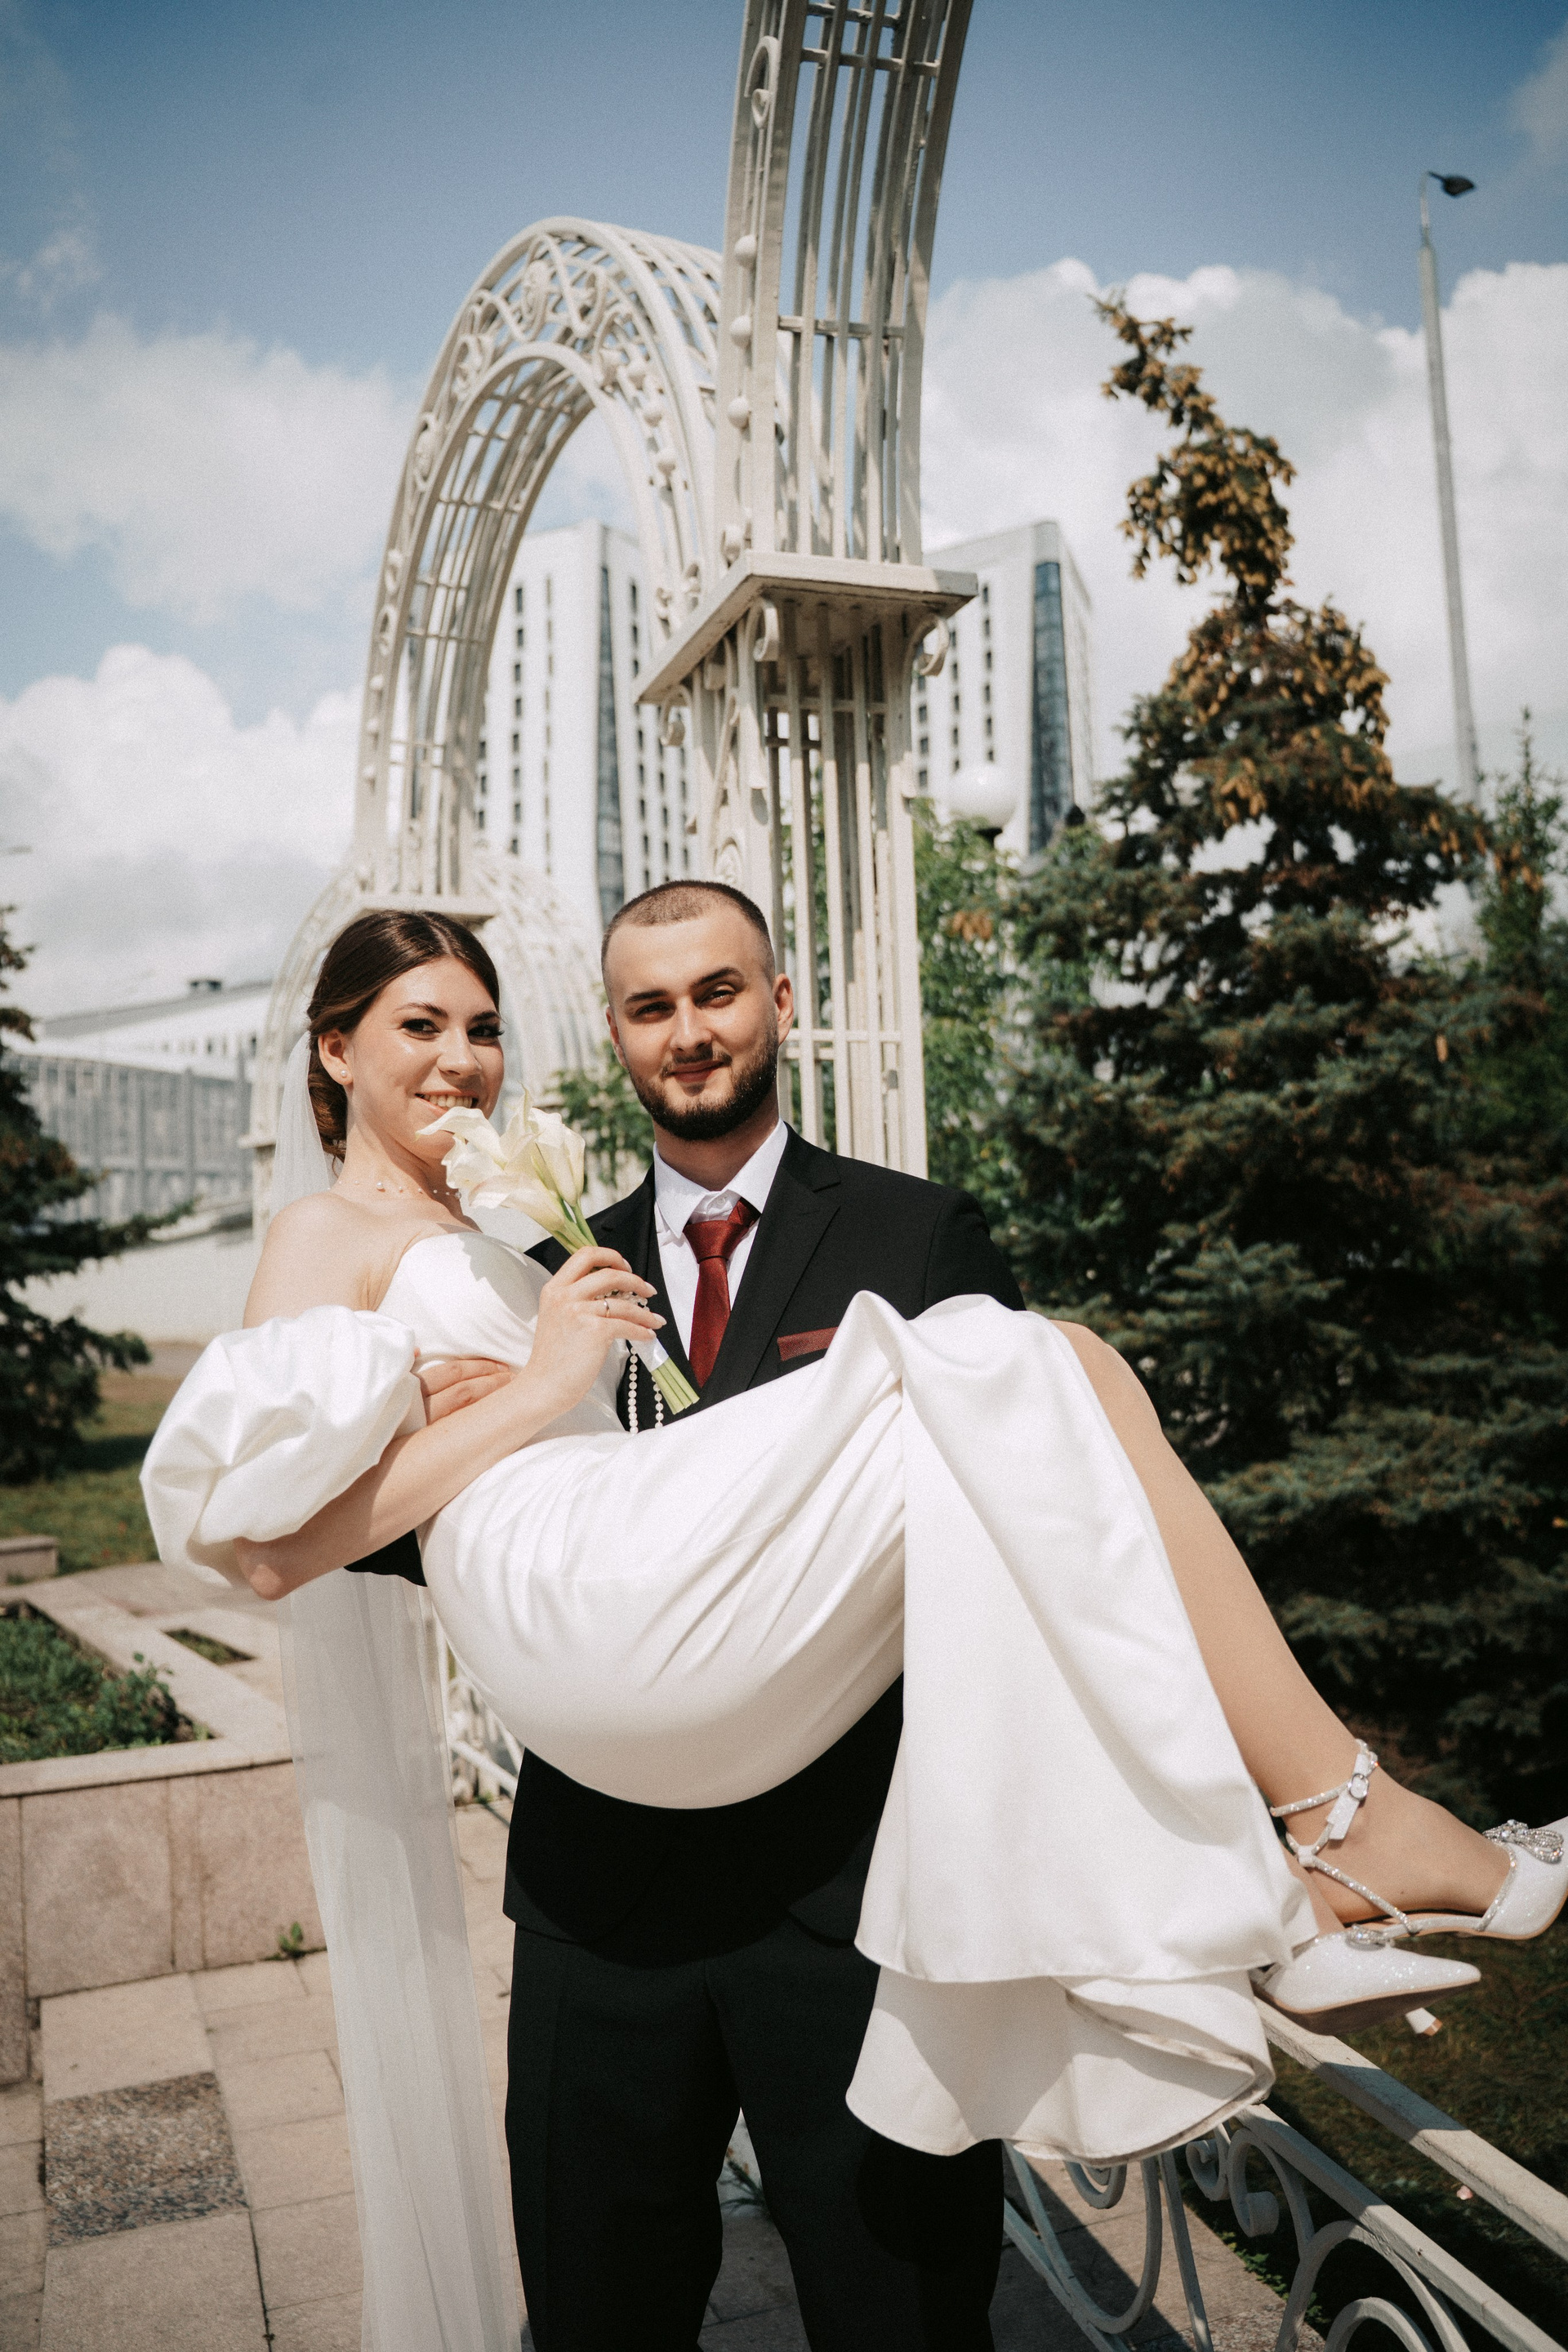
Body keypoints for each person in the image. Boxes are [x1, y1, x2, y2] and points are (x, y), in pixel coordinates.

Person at [142, 906, 1566, 2352]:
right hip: (606, 1844)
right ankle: (1336, 1832)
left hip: (831, 1879)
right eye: (422, 1026)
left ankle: (1310, 1853)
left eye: (485, 1027)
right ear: (337, 1052)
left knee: (1047, 1373)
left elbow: (1022, 1550)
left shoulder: (871, 1230)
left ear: (779, 998)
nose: (463, 1058)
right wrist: (539, 1387)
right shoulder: (429, 1240)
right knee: (597, 2312)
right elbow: (278, 1544)